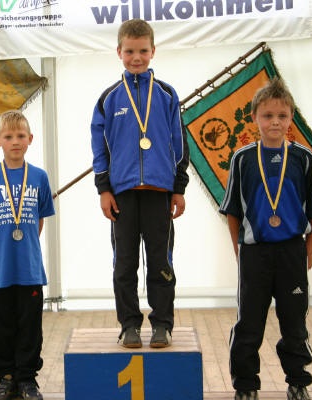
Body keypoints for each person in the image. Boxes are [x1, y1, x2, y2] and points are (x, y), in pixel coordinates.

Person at [219, 77, 312, 400]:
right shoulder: (242, 159)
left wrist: (309, 249)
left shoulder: (303, 158)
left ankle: (298, 382)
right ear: (254, 117)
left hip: (292, 251)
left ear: (291, 118)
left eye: (282, 115)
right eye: (267, 115)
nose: (275, 122)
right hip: (255, 253)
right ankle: (245, 386)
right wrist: (239, 249)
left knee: (294, 322)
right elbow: (232, 211)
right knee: (249, 323)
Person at [90, 18, 190, 349]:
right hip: (122, 195)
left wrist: (178, 188)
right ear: (119, 51)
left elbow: (180, 143)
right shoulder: (108, 98)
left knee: (161, 263)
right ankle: (129, 325)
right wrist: (104, 189)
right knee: (124, 264)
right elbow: (99, 149)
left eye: (143, 51)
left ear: (153, 51)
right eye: (130, 51)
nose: (137, 57)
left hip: (159, 193)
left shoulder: (166, 94)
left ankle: (162, 325)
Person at [0, 110, 55, 400]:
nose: (15, 141)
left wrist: (24, 244)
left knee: (29, 327)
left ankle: (27, 379)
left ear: (30, 139)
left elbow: (40, 219)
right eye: (8, 137)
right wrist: (1, 246)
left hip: (29, 268)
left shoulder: (39, 177)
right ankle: (6, 379)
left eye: (21, 136)